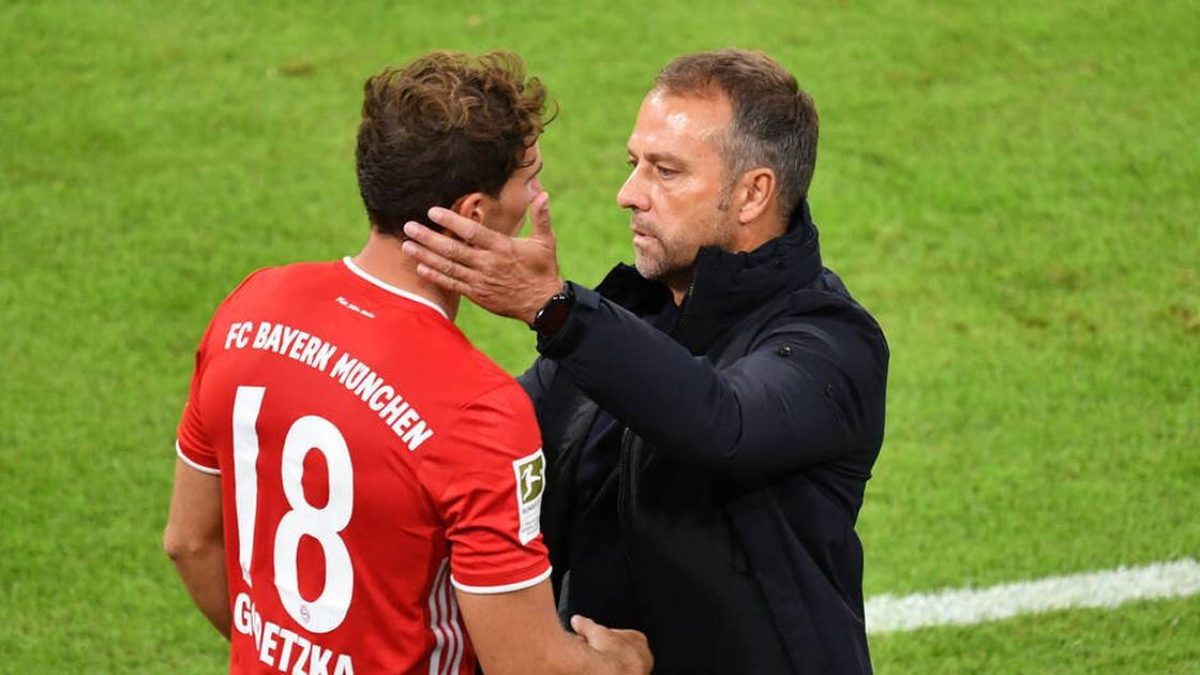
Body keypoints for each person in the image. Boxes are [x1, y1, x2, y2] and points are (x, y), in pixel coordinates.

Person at [399, 49, 889, 673]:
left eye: (666, 171)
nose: (628, 195)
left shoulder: (831, 343)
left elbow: (722, 422)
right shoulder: (631, 317)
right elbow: (498, 440)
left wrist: (554, 311)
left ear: (752, 194)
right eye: (635, 165)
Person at [162, 51, 652, 675]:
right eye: (528, 179)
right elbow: (528, 664)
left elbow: (189, 542)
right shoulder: (478, 409)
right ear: (473, 215)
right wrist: (623, 663)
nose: (536, 197)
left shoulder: (248, 308)